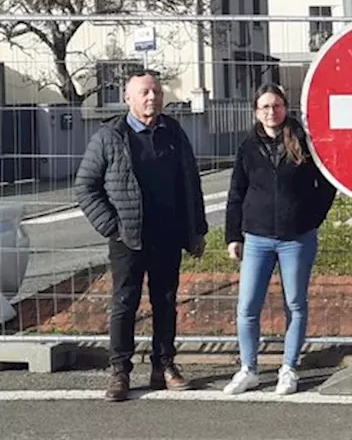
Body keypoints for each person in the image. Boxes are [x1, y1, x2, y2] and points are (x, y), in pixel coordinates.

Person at [73, 70, 208, 402]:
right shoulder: (109, 136)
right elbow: (85, 187)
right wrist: (112, 227)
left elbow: (191, 183)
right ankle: (120, 371)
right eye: (145, 92)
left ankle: (164, 366)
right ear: (128, 98)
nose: (153, 98)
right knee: (124, 304)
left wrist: (197, 230)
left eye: (157, 92)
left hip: (168, 235)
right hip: (128, 238)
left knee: (165, 303)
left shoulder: (173, 131)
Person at [223, 84, 336, 396]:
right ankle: (248, 369)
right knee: (247, 306)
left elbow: (326, 185)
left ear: (286, 108)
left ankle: (289, 368)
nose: (271, 112)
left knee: (295, 303)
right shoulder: (248, 147)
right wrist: (233, 235)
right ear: (256, 112)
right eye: (264, 107)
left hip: (296, 239)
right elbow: (236, 194)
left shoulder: (302, 141)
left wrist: (311, 219)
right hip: (257, 238)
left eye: (276, 106)